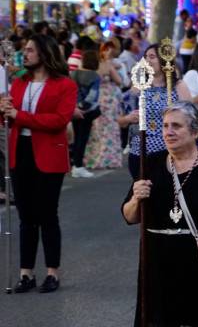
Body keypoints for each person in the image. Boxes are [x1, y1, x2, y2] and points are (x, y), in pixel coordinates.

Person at [122, 101, 198, 326]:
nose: (168, 132)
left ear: (195, 131)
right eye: (165, 126)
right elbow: (130, 217)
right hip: (157, 260)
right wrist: (135, 199)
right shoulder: (149, 163)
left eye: (176, 126)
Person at [1, 34, 76, 293]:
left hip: (48, 153)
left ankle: (52, 273)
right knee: (26, 216)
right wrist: (3, 111)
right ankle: (26, 273)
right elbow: (8, 121)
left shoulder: (65, 85)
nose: (26, 54)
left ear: (44, 53)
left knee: (47, 214)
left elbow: (58, 121)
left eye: (31, 50)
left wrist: (19, 115)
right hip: (19, 151)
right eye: (25, 50)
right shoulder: (18, 83)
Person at [119, 44, 191, 179]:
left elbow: (191, 118)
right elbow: (120, 120)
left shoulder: (178, 86)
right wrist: (128, 118)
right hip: (139, 152)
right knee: (142, 195)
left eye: (152, 57)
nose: (147, 61)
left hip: (170, 151)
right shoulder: (138, 87)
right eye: (145, 57)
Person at [83, 42, 124, 169]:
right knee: (109, 128)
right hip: (109, 98)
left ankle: (92, 159)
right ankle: (108, 159)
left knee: (96, 129)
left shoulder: (88, 65)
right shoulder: (107, 65)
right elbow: (119, 81)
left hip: (94, 97)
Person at [70, 50, 102, 178]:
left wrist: (76, 106)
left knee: (76, 137)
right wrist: (84, 106)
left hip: (74, 110)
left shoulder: (74, 74)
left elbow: (72, 92)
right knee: (82, 139)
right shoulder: (94, 76)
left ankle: (75, 165)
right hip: (87, 111)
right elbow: (93, 95)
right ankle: (78, 166)